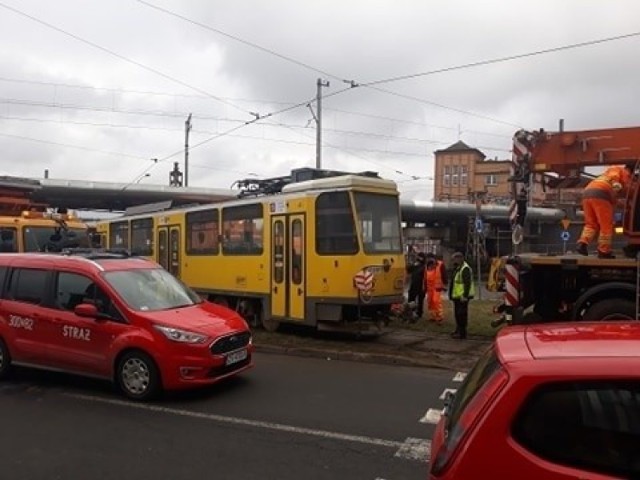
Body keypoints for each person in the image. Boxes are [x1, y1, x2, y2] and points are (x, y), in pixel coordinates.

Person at [577, 164, 633, 259]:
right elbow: (616, 179)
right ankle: (604, 251)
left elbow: (613, 199)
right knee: (606, 225)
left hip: (587, 193)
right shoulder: (620, 170)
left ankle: (582, 244)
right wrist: (617, 185)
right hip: (601, 194)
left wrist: (625, 205)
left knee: (590, 224)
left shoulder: (604, 176)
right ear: (629, 170)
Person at [448, 252, 475, 339]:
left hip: (462, 296)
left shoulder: (465, 268)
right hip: (457, 296)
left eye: (455, 259)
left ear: (460, 258)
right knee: (457, 314)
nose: (453, 261)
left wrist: (465, 295)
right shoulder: (458, 268)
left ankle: (462, 333)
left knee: (461, 315)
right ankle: (458, 330)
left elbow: (467, 283)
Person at [424, 252, 448, 323]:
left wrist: (445, 284)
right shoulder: (426, 266)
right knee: (430, 301)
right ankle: (433, 316)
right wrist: (425, 287)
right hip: (429, 287)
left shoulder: (440, 264)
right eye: (427, 259)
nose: (428, 260)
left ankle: (439, 317)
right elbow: (425, 277)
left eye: (429, 258)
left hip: (437, 286)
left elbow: (444, 274)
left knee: (436, 301)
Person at [406, 251, 426, 320]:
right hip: (414, 285)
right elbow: (408, 269)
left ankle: (419, 313)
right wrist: (414, 264)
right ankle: (411, 312)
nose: (419, 258)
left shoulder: (424, 267)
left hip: (421, 286)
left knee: (420, 301)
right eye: (418, 256)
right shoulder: (415, 265)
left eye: (420, 257)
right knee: (411, 298)